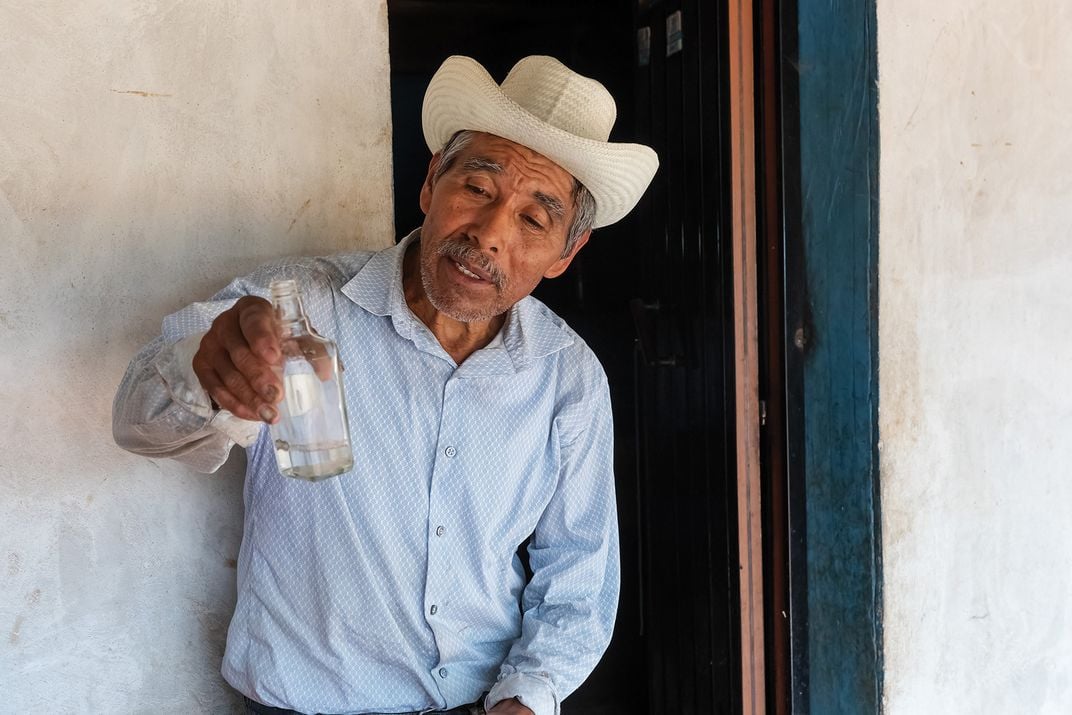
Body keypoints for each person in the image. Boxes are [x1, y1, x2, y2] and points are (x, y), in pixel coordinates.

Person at [113, 55, 658, 715]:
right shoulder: (300, 306)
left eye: (533, 220)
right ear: (432, 182)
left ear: (565, 254)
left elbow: (578, 583)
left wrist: (528, 697)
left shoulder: (567, 379)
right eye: (479, 190)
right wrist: (203, 365)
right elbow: (137, 415)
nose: (489, 235)